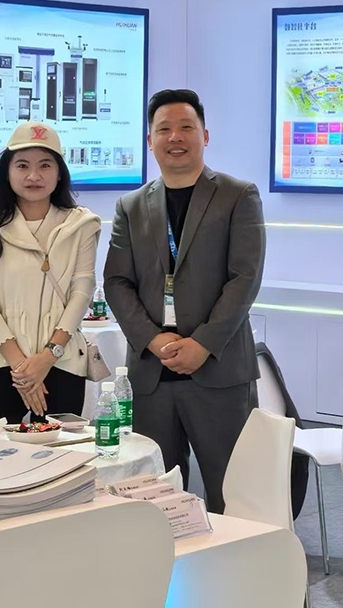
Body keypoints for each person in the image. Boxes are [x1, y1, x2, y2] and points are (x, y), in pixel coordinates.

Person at [104, 89, 266, 512]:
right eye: (164, 129)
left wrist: (202, 344)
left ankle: (235, 558)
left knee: (232, 493)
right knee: (153, 497)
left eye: (186, 127)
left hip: (218, 370)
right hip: (152, 374)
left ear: (204, 135)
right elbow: (117, 282)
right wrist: (153, 339)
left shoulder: (237, 195)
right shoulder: (131, 206)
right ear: (150, 140)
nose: (175, 137)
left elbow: (244, 279)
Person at [0, 121, 101, 422]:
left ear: (59, 173)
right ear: (7, 172)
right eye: (22, 165)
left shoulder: (81, 225)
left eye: (45, 165)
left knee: (61, 448)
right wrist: (22, 368)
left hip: (62, 361)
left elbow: (82, 292)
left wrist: (47, 357)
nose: (33, 176)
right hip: (0, 362)